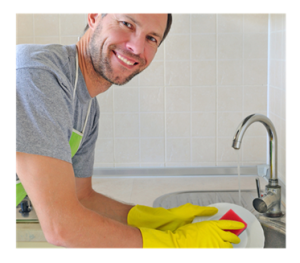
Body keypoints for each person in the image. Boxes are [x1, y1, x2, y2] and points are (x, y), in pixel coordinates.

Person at [16, 13, 244, 248]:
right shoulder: (36, 74)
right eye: (127, 24)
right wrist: (172, 244)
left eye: (152, 38)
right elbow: (60, 226)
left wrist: (154, 219)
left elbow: (83, 198)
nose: (136, 47)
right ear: (94, 16)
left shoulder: (87, 108)